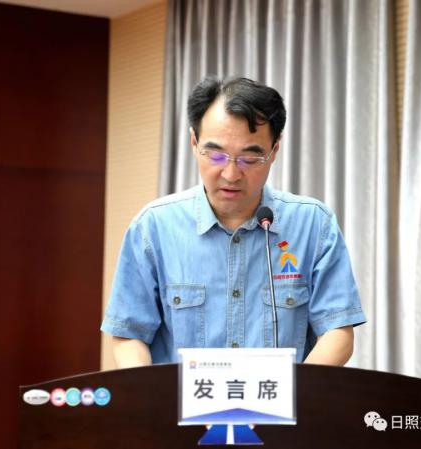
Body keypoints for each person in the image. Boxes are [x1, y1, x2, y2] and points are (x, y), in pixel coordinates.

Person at [101, 76, 366, 367]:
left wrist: (292, 391)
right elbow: (129, 334)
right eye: (216, 155)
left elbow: (337, 331)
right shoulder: (152, 228)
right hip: (182, 398)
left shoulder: (313, 225)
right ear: (194, 142)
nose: (230, 174)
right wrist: (150, 392)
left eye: (249, 159)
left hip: (281, 397)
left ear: (275, 149)